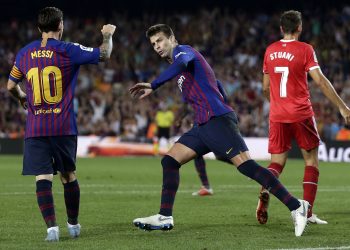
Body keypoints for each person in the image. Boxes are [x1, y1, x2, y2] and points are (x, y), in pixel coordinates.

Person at [130, 24, 309, 236]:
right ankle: (164, 216)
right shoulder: (181, 66)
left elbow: (184, 61)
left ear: (172, 37)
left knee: (247, 167)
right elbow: (218, 84)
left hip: (216, 119)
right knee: (169, 161)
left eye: (160, 40)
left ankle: (297, 206)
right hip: (203, 124)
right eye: (153, 44)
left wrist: (154, 84)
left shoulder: (183, 51)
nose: (157, 46)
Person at [7, 7, 116, 242]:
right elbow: (104, 54)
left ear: (39, 29)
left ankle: (51, 230)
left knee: (43, 178)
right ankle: (73, 225)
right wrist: (107, 35)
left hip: (36, 128)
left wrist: (22, 97)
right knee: (68, 176)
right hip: (62, 126)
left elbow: (10, 85)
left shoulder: (24, 53)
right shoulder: (69, 50)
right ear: (61, 26)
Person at [257, 10, 350, 225]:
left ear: (281, 28)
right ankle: (306, 214)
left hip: (277, 115)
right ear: (299, 27)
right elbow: (320, 80)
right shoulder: (305, 49)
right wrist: (343, 107)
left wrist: (277, 105)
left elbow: (264, 87)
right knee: (311, 161)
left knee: (277, 163)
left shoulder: (269, 50)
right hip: (301, 114)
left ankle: (265, 188)